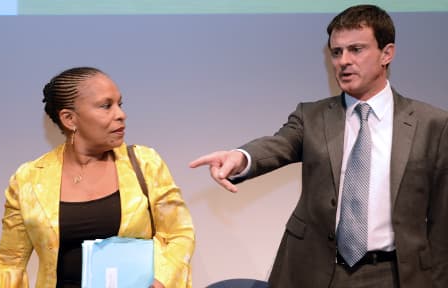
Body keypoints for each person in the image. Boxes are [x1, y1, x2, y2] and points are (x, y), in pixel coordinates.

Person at [190, 4, 447, 288]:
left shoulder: (432, 124)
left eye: (356, 50)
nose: (343, 61)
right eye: (336, 52)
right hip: (315, 270)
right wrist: (241, 157)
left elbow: (442, 222)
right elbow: (278, 145)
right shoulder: (311, 116)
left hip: (393, 274)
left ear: (387, 53)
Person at [0, 67, 195, 288]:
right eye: (106, 106)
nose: (120, 114)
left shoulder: (146, 163)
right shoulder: (28, 179)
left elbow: (178, 234)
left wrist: (162, 281)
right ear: (70, 119)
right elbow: (9, 261)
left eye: (120, 104)